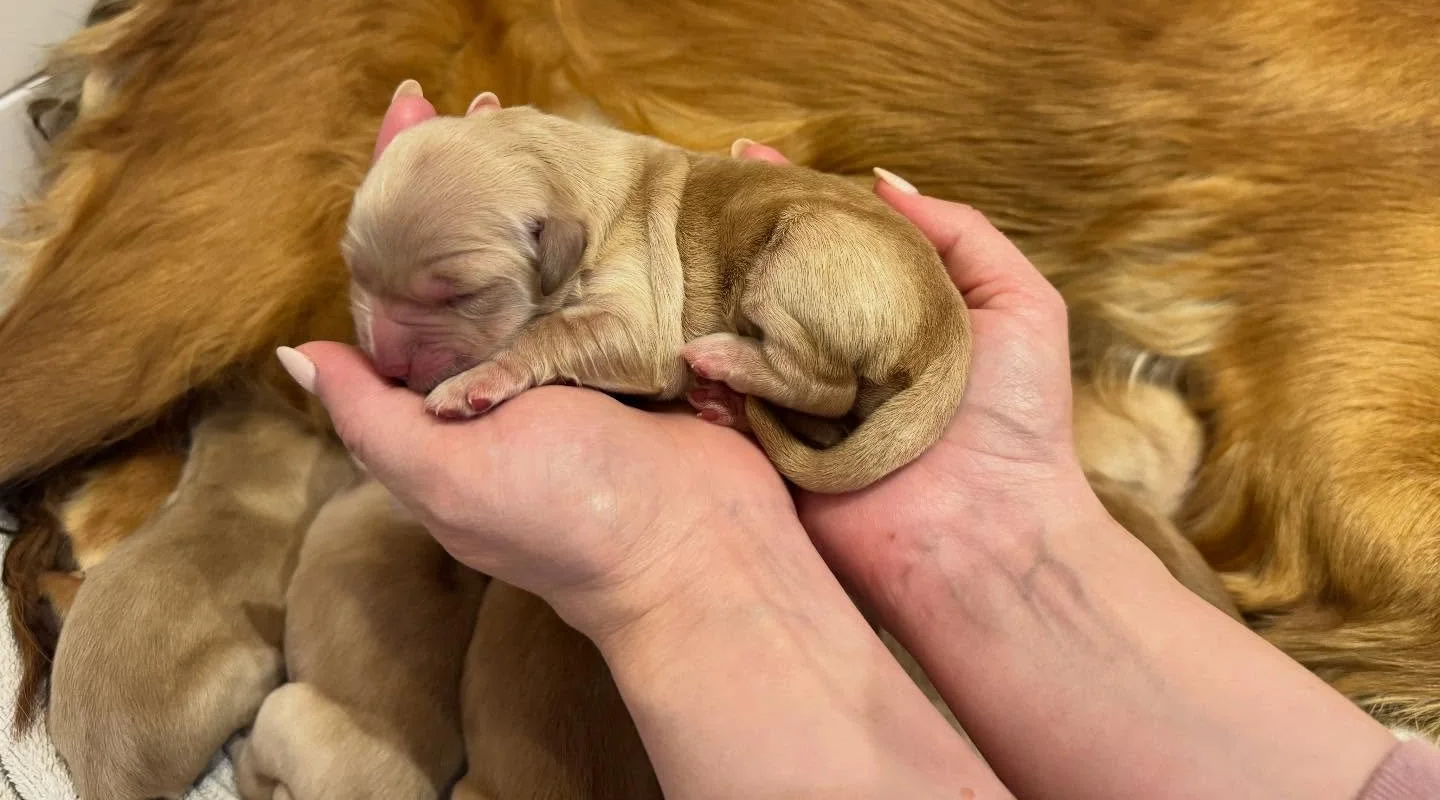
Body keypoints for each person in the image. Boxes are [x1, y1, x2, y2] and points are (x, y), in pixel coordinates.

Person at [276, 90, 1440, 798]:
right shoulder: (560, 210)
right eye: (363, 288)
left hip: (831, 322)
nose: (386, 343)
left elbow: (629, 335)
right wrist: (996, 533)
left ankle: (807, 373)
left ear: (557, 242)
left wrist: (524, 362)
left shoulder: (610, 242)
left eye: (448, 296)